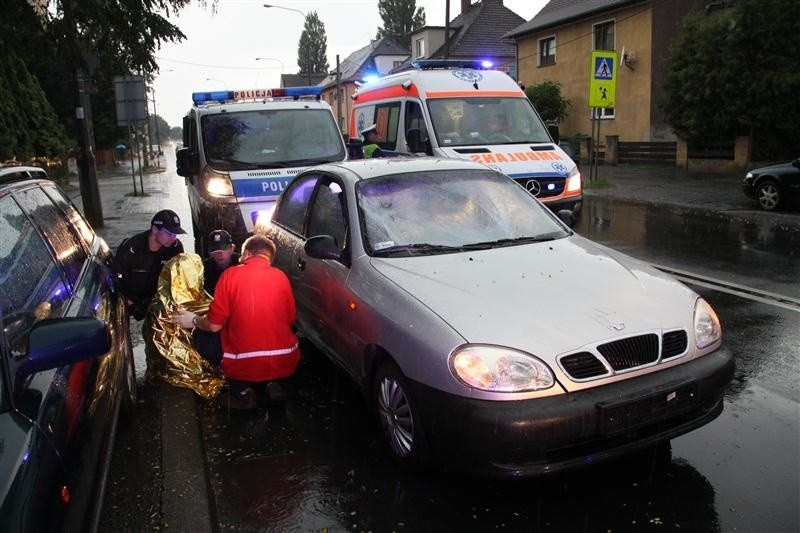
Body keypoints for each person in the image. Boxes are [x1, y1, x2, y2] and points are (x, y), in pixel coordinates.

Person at [173, 235, 300, 411]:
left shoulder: (230, 276)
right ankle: (273, 384)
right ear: (269, 256)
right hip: (285, 359)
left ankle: (242, 391)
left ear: (247, 253)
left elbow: (214, 325)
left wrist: (193, 320)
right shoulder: (281, 277)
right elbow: (290, 318)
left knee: (204, 336)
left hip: (243, 362)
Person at [112, 209, 186, 320]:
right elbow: (117, 280)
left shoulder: (175, 247)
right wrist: (131, 304)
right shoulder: (132, 248)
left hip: (158, 298)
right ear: (155, 229)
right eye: (169, 233)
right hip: (132, 296)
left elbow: (178, 277)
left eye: (175, 234)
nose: (173, 238)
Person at [203, 229, 240, 295]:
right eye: (215, 250)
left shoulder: (241, 264)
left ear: (232, 249)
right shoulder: (205, 269)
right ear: (210, 253)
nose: (220, 253)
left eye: (224, 248)